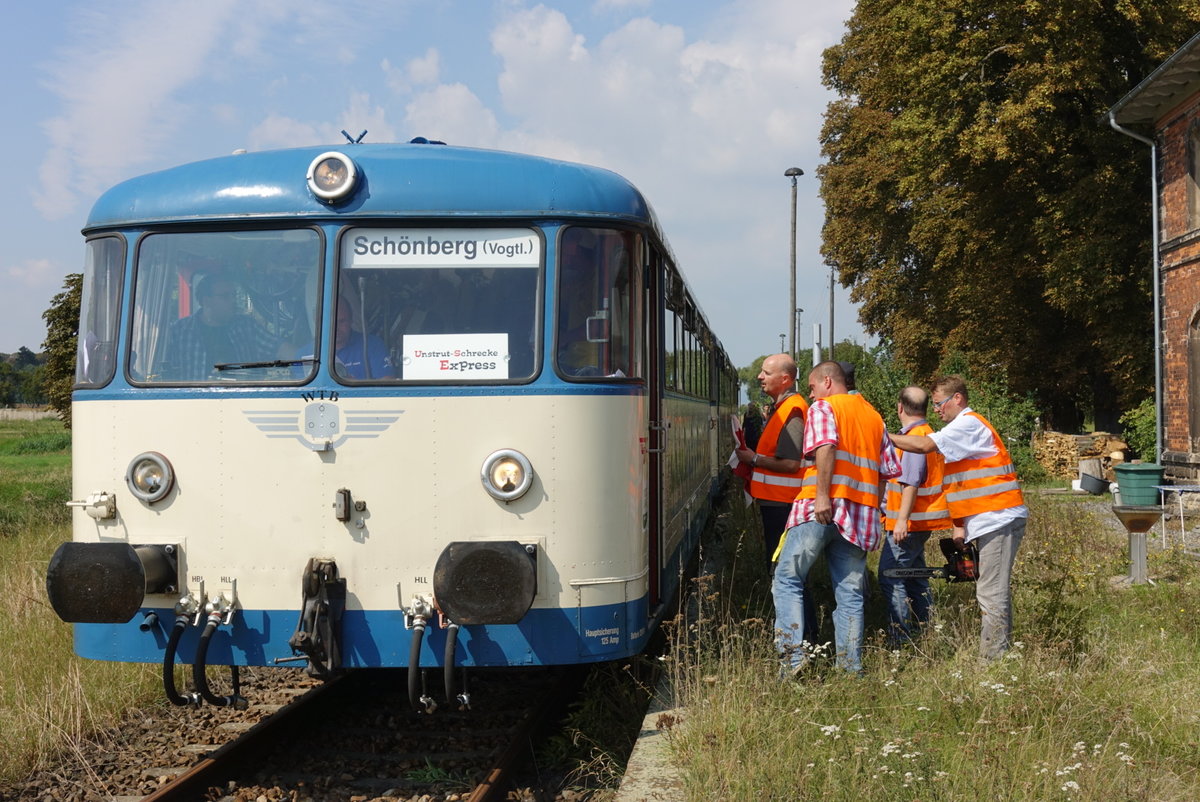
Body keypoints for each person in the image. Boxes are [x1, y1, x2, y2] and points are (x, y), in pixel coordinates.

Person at [773, 361, 900, 675]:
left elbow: (827, 447)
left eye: (813, 387)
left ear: (827, 382)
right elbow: (887, 472)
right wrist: (870, 507)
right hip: (858, 517)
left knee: (788, 579)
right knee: (850, 593)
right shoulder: (874, 416)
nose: (811, 393)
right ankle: (851, 668)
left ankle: (792, 659)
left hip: (819, 510)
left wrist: (822, 496)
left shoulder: (823, 408)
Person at [888, 375, 1027, 659]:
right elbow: (962, 485)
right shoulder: (962, 429)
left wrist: (880, 436)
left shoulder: (969, 423)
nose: (936, 410)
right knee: (990, 591)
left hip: (999, 518)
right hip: (988, 519)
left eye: (940, 403)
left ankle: (993, 661)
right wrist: (960, 526)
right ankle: (996, 654)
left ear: (958, 399)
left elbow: (923, 445)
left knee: (991, 593)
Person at [878, 385, 953, 646]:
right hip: (917, 521)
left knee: (891, 575)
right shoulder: (925, 433)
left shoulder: (916, 438)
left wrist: (900, 521)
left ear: (900, 407)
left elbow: (911, 482)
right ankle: (926, 629)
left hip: (908, 523)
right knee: (915, 575)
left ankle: (900, 638)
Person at [160, 275, 280, 380]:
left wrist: (299, 357)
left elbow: (278, 347)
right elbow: (160, 369)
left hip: (241, 401)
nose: (233, 300)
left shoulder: (246, 326)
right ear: (207, 301)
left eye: (234, 295)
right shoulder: (179, 332)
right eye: (225, 296)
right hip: (193, 403)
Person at [332, 297, 394, 379]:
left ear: (351, 319)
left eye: (341, 321)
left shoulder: (372, 345)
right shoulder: (313, 350)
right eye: (332, 322)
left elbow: (387, 382)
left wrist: (354, 386)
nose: (336, 327)